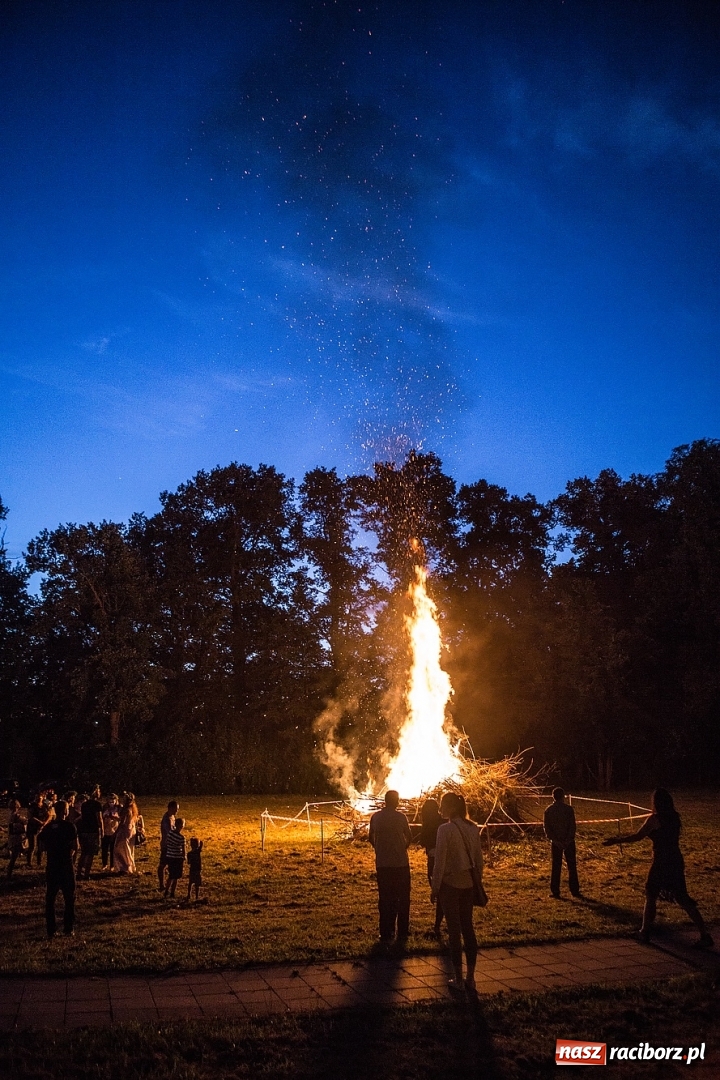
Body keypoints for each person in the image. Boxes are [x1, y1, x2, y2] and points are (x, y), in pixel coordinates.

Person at [603, 788, 713, 948]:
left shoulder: (655, 819)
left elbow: (638, 836)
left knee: (651, 894)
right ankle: (705, 934)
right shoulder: (675, 817)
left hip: (661, 861)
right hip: (675, 860)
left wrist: (616, 840)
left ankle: (644, 932)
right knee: (683, 897)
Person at [431, 791, 483, 994]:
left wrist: (435, 888)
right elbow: (479, 860)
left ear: (451, 808)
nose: (440, 809)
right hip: (469, 885)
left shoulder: (445, 830)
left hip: (450, 885)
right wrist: (477, 880)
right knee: (468, 928)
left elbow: (440, 862)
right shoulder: (473, 828)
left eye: (443, 804)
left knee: (454, 932)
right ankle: (471, 978)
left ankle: (459, 979)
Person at [368, 790, 412, 945]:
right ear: (396, 801)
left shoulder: (376, 817)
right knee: (403, 898)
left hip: (383, 864)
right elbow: (409, 836)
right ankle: (403, 931)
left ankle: (385, 931)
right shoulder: (401, 817)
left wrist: (380, 849)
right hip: (400, 864)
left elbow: (370, 837)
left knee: (385, 898)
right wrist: (401, 848)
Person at [41, 800, 78, 937]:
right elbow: (76, 846)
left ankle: (51, 929)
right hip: (66, 864)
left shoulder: (48, 827)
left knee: (50, 898)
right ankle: (68, 928)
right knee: (69, 897)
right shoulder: (70, 826)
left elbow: (42, 846)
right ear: (66, 811)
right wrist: (68, 854)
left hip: (52, 865)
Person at [544, 787, 581, 899]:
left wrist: (555, 840)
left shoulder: (549, 810)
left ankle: (555, 890)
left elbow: (547, 828)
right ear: (563, 796)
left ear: (553, 797)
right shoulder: (569, 810)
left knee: (556, 866)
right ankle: (574, 890)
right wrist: (568, 840)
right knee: (572, 866)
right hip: (568, 842)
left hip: (556, 843)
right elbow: (572, 826)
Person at [418, 798, 444, 936]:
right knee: (442, 893)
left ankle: (438, 924)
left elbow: (423, 841)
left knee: (439, 891)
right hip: (446, 859)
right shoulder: (444, 822)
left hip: (433, 859)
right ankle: (439, 924)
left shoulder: (428, 824)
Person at [76, 786, 102, 881]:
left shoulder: (84, 804)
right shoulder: (97, 804)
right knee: (90, 853)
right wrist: (101, 832)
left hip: (83, 830)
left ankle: (79, 873)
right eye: (99, 791)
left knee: (83, 852)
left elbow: (83, 817)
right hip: (92, 830)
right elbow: (99, 819)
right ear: (95, 792)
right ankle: (86, 874)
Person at [113, 793, 139, 874]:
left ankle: (125, 867)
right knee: (129, 848)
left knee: (120, 849)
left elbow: (122, 821)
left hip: (124, 830)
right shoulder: (132, 808)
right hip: (131, 829)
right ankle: (129, 866)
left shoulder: (126, 809)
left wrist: (116, 831)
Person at [158, 800, 179, 892]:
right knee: (162, 865)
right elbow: (169, 832)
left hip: (170, 844)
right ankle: (162, 885)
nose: (177, 811)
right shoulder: (166, 819)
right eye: (176, 809)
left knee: (168, 865)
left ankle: (166, 885)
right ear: (171, 808)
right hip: (167, 845)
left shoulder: (172, 817)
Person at [26, 792, 50, 867]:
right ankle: (29, 863)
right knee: (32, 846)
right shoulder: (32, 806)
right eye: (37, 798)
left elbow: (49, 815)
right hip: (33, 828)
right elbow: (31, 817)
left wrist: (45, 823)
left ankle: (39, 862)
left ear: (43, 798)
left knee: (41, 846)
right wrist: (40, 822)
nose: (38, 799)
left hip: (42, 828)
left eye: (40, 798)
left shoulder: (45, 806)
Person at [164, 817, 186, 899]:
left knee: (170, 875)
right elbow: (183, 850)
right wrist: (184, 857)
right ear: (182, 826)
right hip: (177, 858)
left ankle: (166, 890)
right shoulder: (182, 838)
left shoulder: (170, 833)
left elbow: (166, 843)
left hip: (170, 856)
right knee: (176, 877)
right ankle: (172, 892)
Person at [7, 800, 26, 879]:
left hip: (12, 837)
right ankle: (9, 874)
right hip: (16, 837)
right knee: (14, 857)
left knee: (15, 854)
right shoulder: (16, 816)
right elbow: (25, 821)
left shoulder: (11, 815)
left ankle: (9, 873)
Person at [101, 793, 120, 869]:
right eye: (110, 799)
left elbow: (121, 818)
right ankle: (104, 864)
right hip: (105, 829)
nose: (112, 801)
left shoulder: (118, 808)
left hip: (114, 830)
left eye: (113, 799)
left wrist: (114, 817)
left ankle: (112, 865)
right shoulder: (104, 808)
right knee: (104, 848)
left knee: (113, 849)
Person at [186, 837, 203, 902]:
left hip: (192, 869)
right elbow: (201, 844)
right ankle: (196, 896)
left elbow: (188, 862)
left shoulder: (189, 854)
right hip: (198, 870)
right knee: (197, 884)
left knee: (190, 883)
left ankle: (188, 895)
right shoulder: (198, 851)